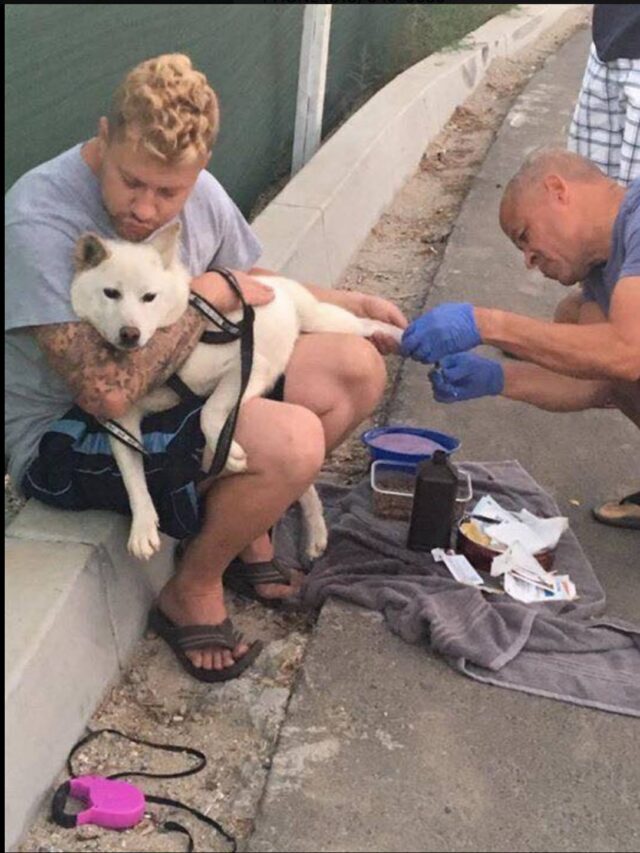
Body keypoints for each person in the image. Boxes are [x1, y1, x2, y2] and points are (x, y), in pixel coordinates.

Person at [5, 54, 406, 680]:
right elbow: (105, 394)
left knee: (355, 369)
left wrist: (348, 305)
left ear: (198, 173)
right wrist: (200, 300)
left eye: (169, 192)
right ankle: (191, 586)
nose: (145, 208)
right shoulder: (40, 216)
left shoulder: (196, 195)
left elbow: (252, 284)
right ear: (104, 137)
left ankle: (246, 521)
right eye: (131, 182)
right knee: (293, 439)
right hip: (72, 434)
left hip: (177, 390)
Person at [400, 148, 640, 530]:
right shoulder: (601, 270)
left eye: (525, 236)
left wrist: (486, 323)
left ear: (558, 190)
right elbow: (597, 382)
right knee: (576, 321)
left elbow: (629, 353)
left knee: (597, 337)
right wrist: (496, 377)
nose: (528, 259)